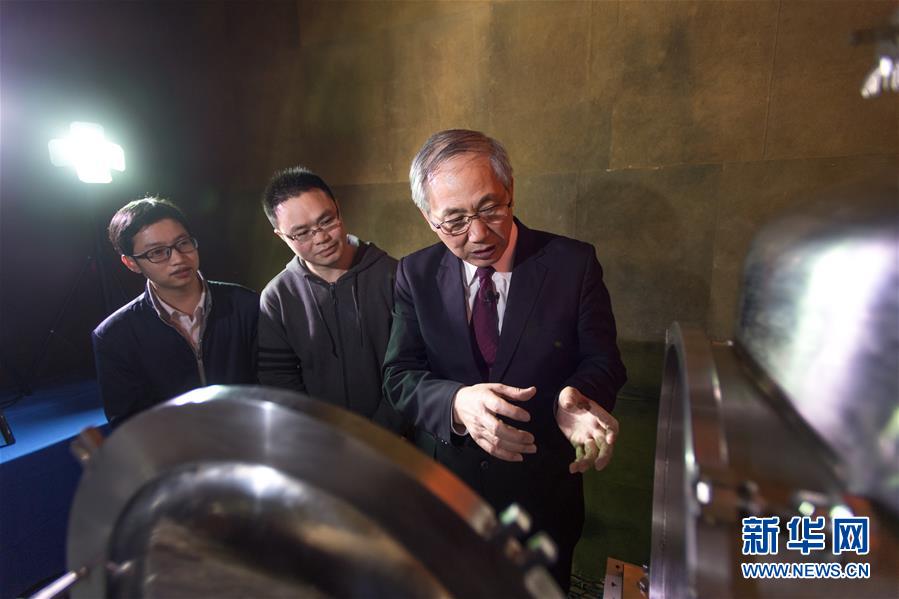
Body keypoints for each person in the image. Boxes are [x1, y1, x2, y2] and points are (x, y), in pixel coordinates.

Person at [382, 129, 627, 590]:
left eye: (490, 208)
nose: (478, 234)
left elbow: (604, 360)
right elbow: (399, 375)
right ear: (428, 217)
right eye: (454, 221)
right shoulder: (415, 273)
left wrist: (577, 398)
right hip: (450, 491)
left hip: (543, 491)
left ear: (510, 188)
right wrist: (456, 403)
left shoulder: (572, 264)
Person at [258, 166, 405, 432]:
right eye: (302, 233)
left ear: (338, 207)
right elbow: (279, 380)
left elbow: (411, 365)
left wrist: (381, 433)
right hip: (318, 441)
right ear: (281, 236)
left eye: (326, 221)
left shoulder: (394, 276)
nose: (321, 238)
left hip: (396, 438)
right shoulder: (277, 297)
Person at [92, 197, 259, 424]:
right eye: (157, 252)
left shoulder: (247, 305)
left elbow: (272, 386)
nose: (179, 258)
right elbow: (129, 422)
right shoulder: (114, 335)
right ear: (131, 263)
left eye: (183, 243)